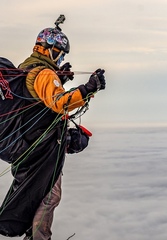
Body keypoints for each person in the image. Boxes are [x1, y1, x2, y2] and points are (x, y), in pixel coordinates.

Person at [0, 16, 105, 240]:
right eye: (60, 53)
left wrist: (60, 80)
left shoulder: (26, 68)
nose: (61, 58)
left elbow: (36, 102)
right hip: (38, 151)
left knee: (35, 192)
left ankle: (31, 232)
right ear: (51, 50)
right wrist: (88, 89)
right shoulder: (44, 74)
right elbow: (61, 103)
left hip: (23, 147)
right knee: (50, 195)